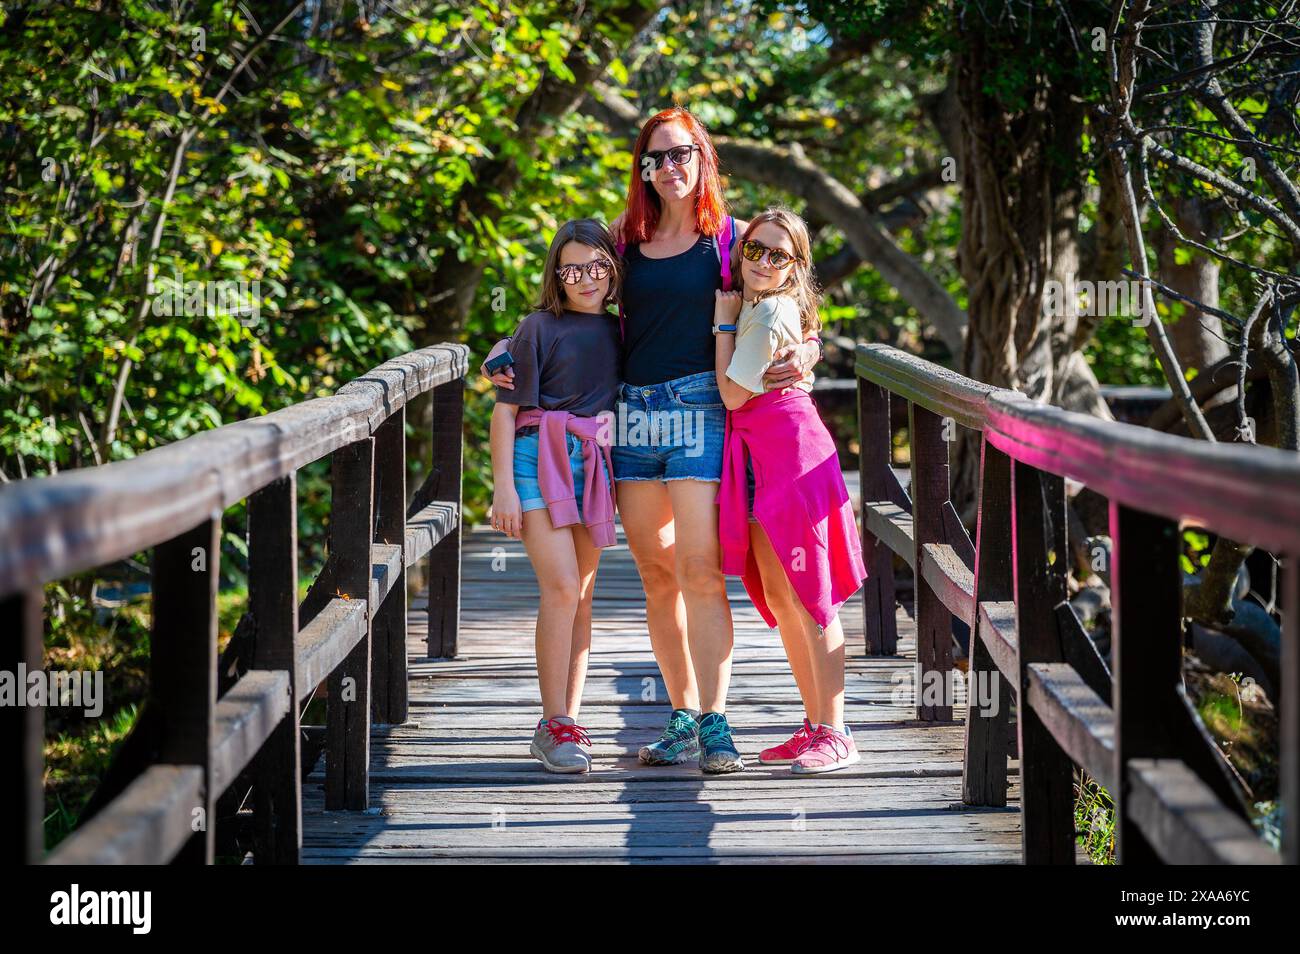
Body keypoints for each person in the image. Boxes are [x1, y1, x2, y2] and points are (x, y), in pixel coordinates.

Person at [482, 108, 821, 774]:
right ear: (642, 169)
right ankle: (681, 717)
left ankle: (716, 722)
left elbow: (793, 298)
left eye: (681, 154)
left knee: (698, 568)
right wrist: (505, 348)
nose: (670, 167)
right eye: (655, 158)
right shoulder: (624, 238)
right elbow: (569, 290)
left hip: (701, 407)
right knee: (656, 576)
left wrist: (808, 348)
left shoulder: (734, 237)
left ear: (704, 159)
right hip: (631, 417)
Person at [713, 208, 868, 774]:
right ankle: (813, 724)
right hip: (758, 457)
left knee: (810, 597)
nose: (762, 261)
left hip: (791, 454)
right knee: (782, 598)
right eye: (755, 249)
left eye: (778, 255)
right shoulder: (756, 302)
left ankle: (837, 730)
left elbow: (731, 396)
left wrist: (722, 326)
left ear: (795, 266)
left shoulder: (766, 308)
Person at [489, 218, 622, 774]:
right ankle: (551, 723)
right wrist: (502, 491)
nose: (585, 279)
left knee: (582, 595)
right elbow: (504, 412)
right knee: (562, 586)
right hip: (535, 461)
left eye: (596, 266)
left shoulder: (622, 330)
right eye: (572, 268)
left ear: (612, 270)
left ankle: (570, 718)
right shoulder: (537, 328)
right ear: (557, 273)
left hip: (593, 464)